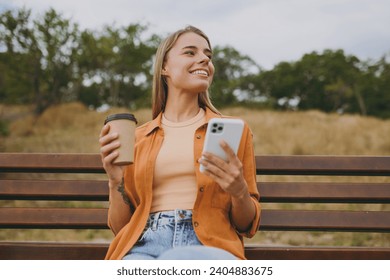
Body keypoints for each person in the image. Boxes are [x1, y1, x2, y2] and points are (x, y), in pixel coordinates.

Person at [99, 25, 261, 260]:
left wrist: (239, 192)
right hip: (145, 245)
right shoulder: (139, 138)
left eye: (208, 55)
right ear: (164, 67)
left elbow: (247, 224)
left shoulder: (234, 132)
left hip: (209, 246)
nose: (204, 59)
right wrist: (116, 182)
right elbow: (120, 227)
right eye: (190, 52)